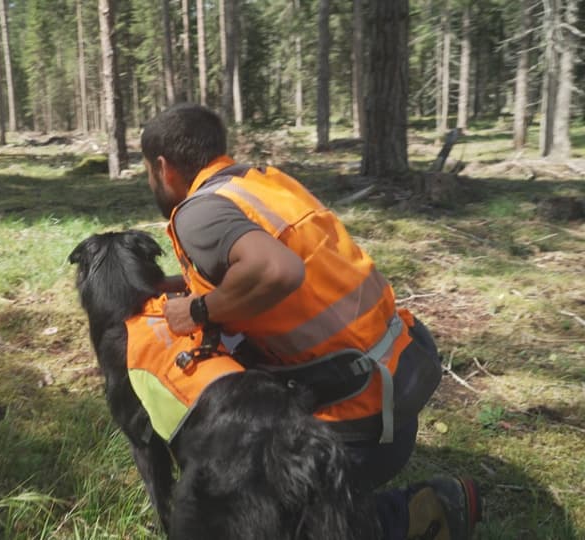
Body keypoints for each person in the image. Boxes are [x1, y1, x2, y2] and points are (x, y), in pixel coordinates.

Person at [141, 103, 482, 540]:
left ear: (164, 168)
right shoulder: (260, 183)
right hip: (397, 380)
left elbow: (278, 271)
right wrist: (180, 287)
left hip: (356, 422)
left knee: (241, 520)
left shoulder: (196, 213)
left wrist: (196, 311)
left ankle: (419, 511)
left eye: (147, 171)